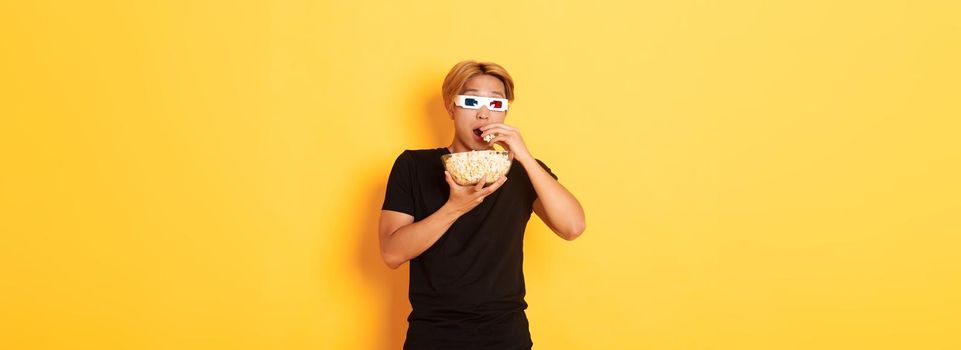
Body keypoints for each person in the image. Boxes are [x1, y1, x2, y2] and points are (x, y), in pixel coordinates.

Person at [378, 60, 586, 349]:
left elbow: (572, 227)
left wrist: (524, 157)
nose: (484, 112)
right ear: (451, 107)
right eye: (471, 100)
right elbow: (392, 253)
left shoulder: (523, 171)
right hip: (433, 334)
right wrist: (455, 207)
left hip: (505, 334)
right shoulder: (414, 165)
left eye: (496, 103)